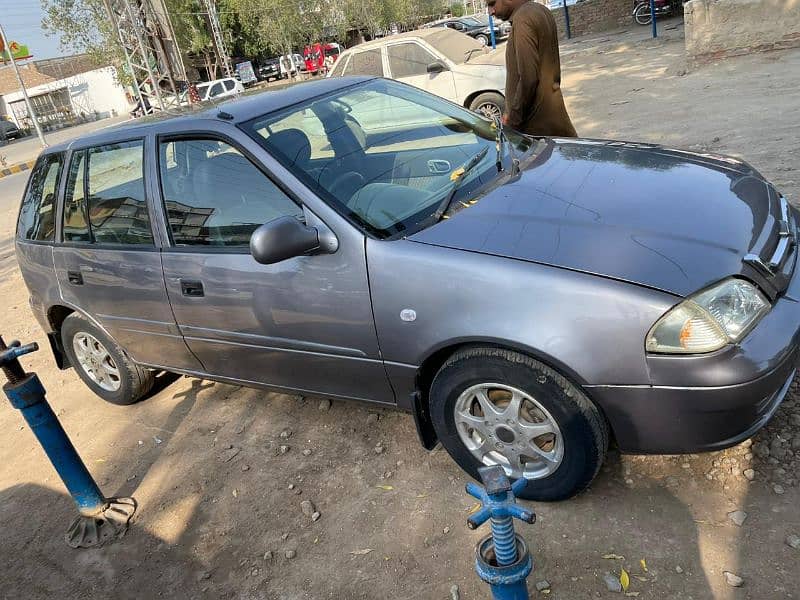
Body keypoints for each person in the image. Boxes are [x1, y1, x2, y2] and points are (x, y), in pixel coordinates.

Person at [488, 0, 577, 137]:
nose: (490, 11)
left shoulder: (523, 18)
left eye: (492, 3)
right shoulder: (540, 10)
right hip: (553, 117)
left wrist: (513, 120)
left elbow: (529, 78)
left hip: (537, 128)